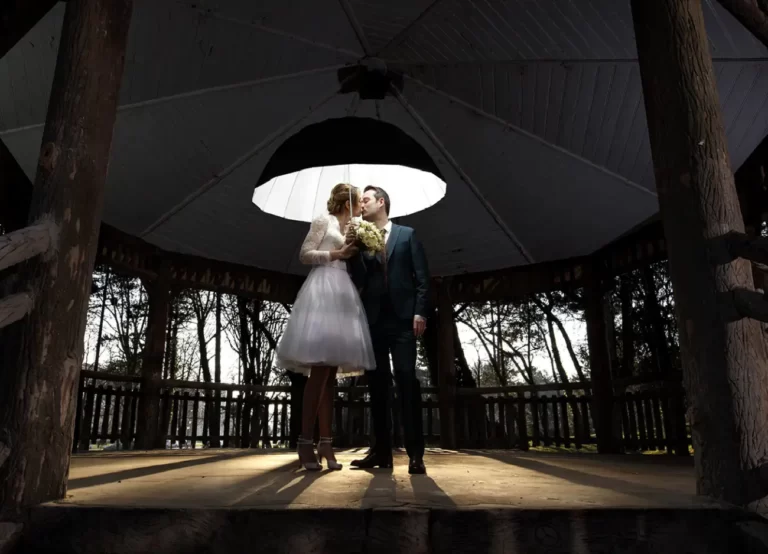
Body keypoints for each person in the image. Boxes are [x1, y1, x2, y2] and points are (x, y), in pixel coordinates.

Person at [276, 183, 375, 471]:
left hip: (344, 293)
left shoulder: (353, 228)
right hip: (322, 290)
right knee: (318, 371)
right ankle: (304, 442)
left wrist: (356, 244)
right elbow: (305, 254)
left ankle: (326, 442)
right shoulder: (324, 220)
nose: (361, 208)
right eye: (359, 202)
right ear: (348, 203)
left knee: (331, 376)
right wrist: (336, 254)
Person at [347, 186, 430, 475]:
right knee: (377, 387)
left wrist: (420, 311)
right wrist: (352, 250)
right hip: (373, 320)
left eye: (366, 199)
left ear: (381, 202)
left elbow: (421, 277)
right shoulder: (360, 237)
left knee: (407, 381)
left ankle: (416, 454)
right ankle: (380, 452)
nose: (362, 204)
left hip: (404, 320)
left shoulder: (407, 235)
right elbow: (358, 277)